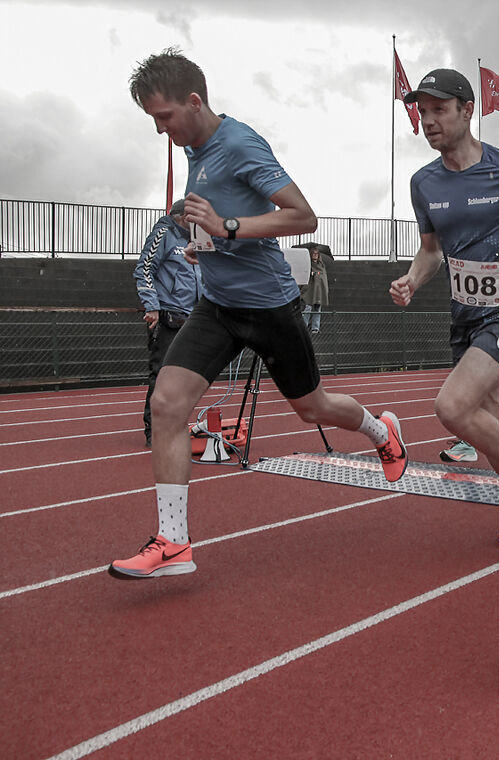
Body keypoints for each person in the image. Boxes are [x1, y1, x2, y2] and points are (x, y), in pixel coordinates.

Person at [110, 49, 406, 580]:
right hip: (217, 306)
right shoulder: (195, 152)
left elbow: (302, 215)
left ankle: (381, 432)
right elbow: (219, 224)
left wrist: (226, 228)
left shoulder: (240, 143)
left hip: (268, 307)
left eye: (164, 117)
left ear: (194, 101)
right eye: (153, 119)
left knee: (312, 408)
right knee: (168, 404)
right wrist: (207, 243)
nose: (160, 130)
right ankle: (174, 543)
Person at [390, 68, 499, 548]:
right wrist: (412, 279)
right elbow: (430, 250)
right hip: (464, 312)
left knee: (452, 405)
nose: (428, 120)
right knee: (485, 420)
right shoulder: (423, 183)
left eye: (439, 110)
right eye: (422, 111)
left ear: (468, 111)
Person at [134, 198, 200, 448]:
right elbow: (145, 269)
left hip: (193, 315)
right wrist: (151, 305)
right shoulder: (163, 234)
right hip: (168, 314)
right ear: (184, 217)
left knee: (186, 377)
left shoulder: (196, 241)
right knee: (161, 375)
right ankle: (155, 430)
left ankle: (176, 424)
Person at [298, 242, 332, 334]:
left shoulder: (321, 265)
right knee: (307, 308)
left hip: (319, 291)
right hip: (309, 290)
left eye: (317, 254)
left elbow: (323, 276)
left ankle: (315, 328)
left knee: (317, 309)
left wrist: (317, 275)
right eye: (313, 254)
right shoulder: (307, 264)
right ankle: (304, 327)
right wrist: (312, 274)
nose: (315, 255)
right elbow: (305, 274)